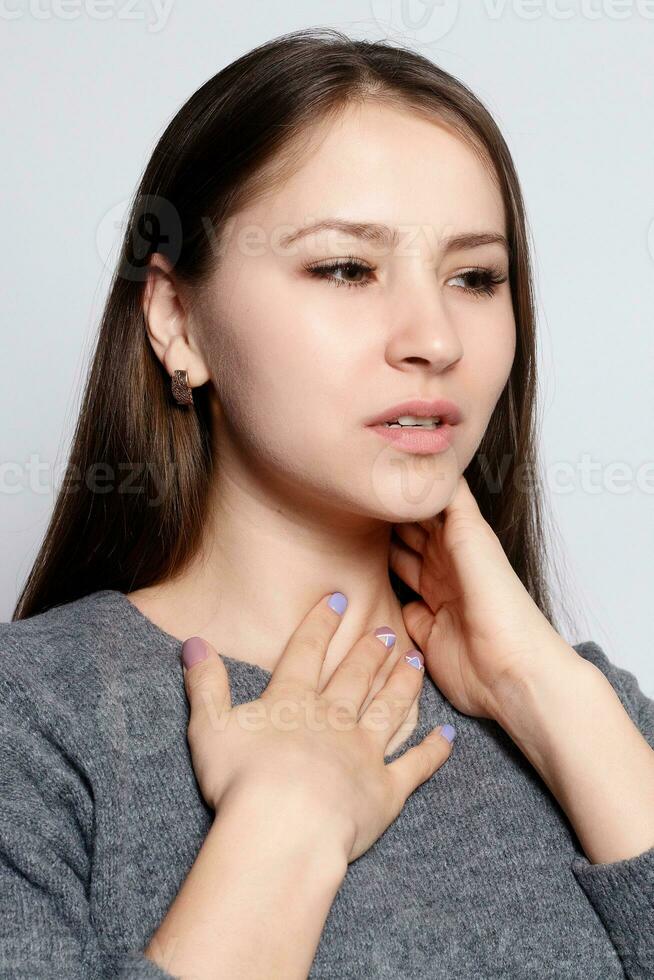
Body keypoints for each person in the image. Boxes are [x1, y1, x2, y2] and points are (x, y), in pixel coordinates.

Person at [2, 27, 652, 980]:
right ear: (176, 321)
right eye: (346, 268)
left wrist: (547, 695)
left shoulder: (592, 713)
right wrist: (283, 830)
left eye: (476, 277)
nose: (434, 338)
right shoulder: (34, 725)